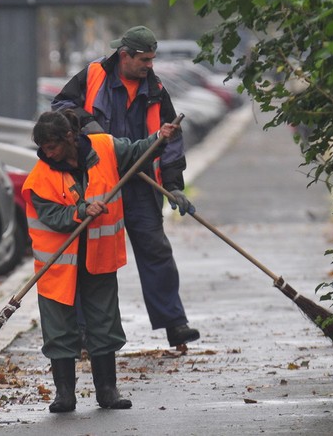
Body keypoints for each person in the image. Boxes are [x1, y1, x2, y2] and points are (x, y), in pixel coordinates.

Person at [51, 25, 201, 349]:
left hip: (141, 185)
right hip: (99, 184)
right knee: (93, 260)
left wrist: (175, 186)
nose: (150, 65)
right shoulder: (92, 76)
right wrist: (87, 125)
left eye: (152, 59)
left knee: (156, 252)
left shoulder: (157, 90)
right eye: (144, 59)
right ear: (124, 56)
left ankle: (175, 324)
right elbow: (61, 106)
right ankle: (83, 334)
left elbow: (171, 141)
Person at [22, 109, 180, 413]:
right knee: (59, 329)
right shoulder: (40, 177)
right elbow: (52, 215)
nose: (47, 153)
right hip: (57, 264)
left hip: (98, 256)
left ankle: (107, 391)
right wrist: (80, 212)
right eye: (42, 148)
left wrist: (158, 139)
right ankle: (64, 395)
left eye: (52, 146)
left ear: (69, 137)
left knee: (103, 324)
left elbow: (136, 153)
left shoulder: (105, 148)